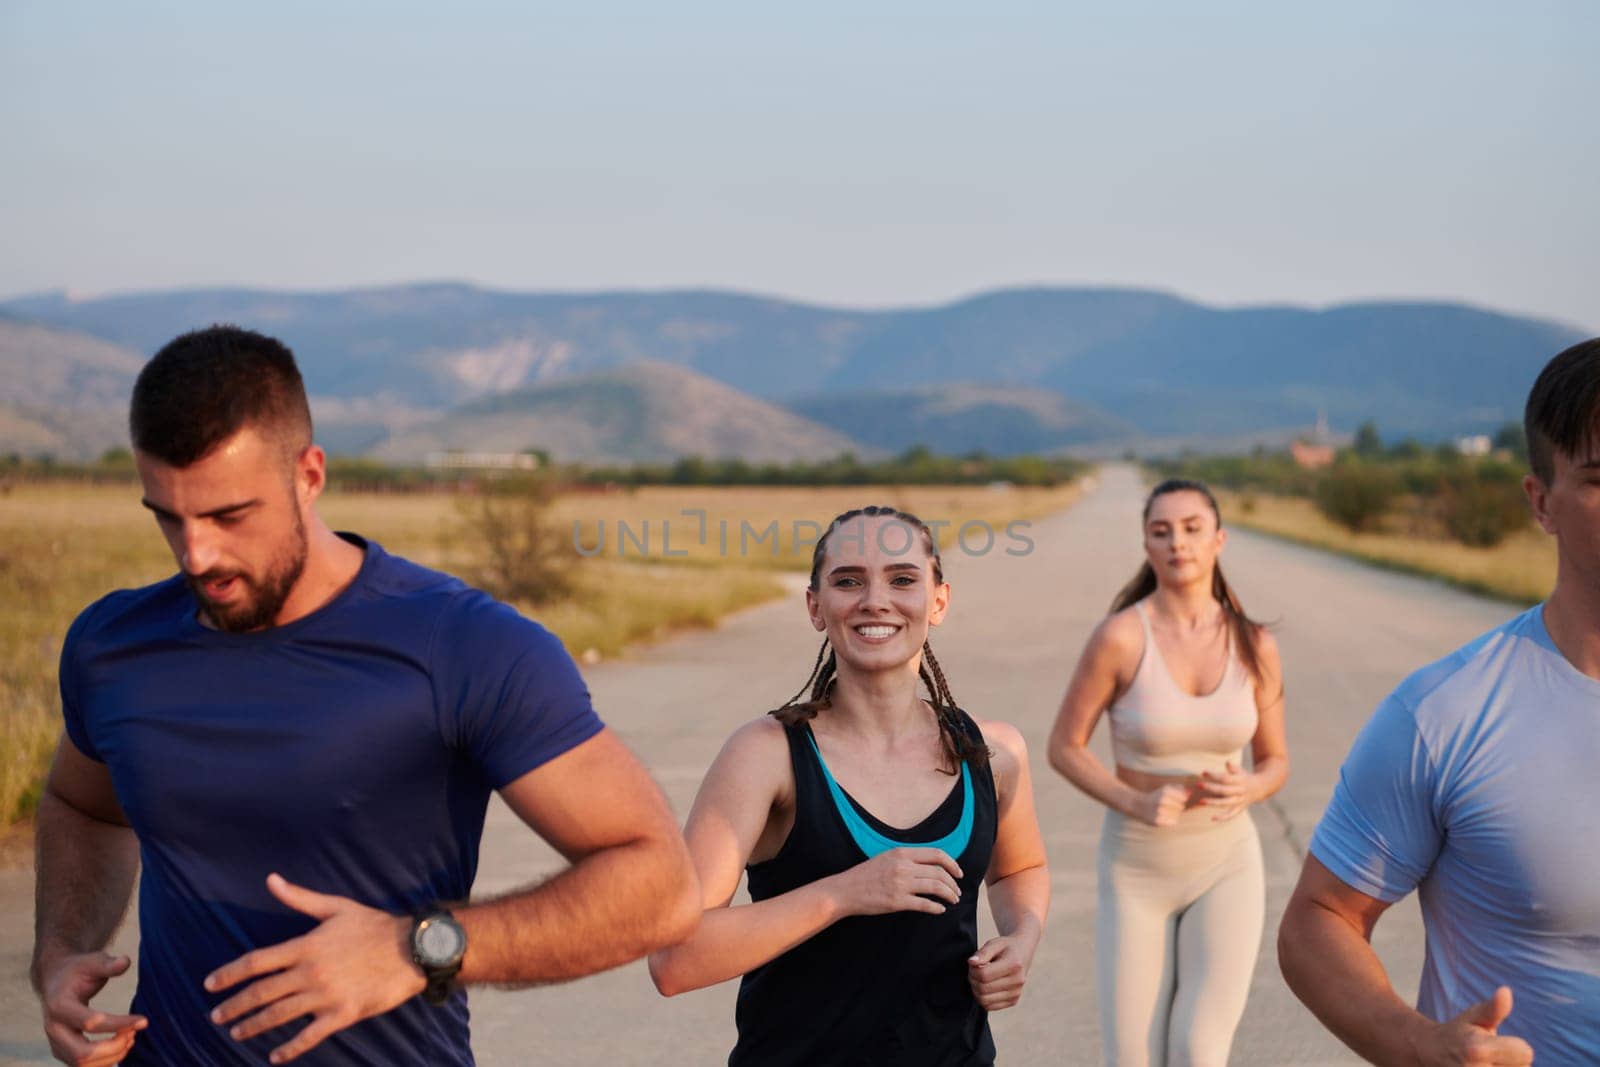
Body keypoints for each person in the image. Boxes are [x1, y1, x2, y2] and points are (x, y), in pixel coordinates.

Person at [29, 325, 699, 1066]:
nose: (198, 554)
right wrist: (60, 953)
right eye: (168, 516)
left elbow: (660, 883)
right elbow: (82, 805)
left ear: (309, 474)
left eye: (229, 515)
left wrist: (418, 947)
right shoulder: (113, 646)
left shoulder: (460, 644)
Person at [1278, 338, 1600, 1066]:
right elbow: (1318, 921)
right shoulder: (1446, 713)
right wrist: (1420, 1046)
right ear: (1541, 502)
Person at [647, 506, 1049, 1065]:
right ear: (816, 606)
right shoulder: (767, 756)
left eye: (903, 579)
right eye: (848, 580)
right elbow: (674, 958)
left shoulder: (992, 753)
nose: (875, 600)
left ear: (938, 601)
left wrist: (1022, 939)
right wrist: (845, 894)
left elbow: (1020, 870)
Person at [1047, 478, 1288, 1066]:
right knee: (1133, 1060)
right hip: (1137, 870)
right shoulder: (1121, 637)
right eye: (1161, 531)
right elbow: (1064, 747)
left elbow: (1276, 761)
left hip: (1226, 864)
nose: (1177, 542)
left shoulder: (1254, 644)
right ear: (1147, 545)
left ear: (1218, 539)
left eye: (1191, 528)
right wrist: (1134, 802)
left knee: (1198, 1050)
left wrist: (1253, 786)